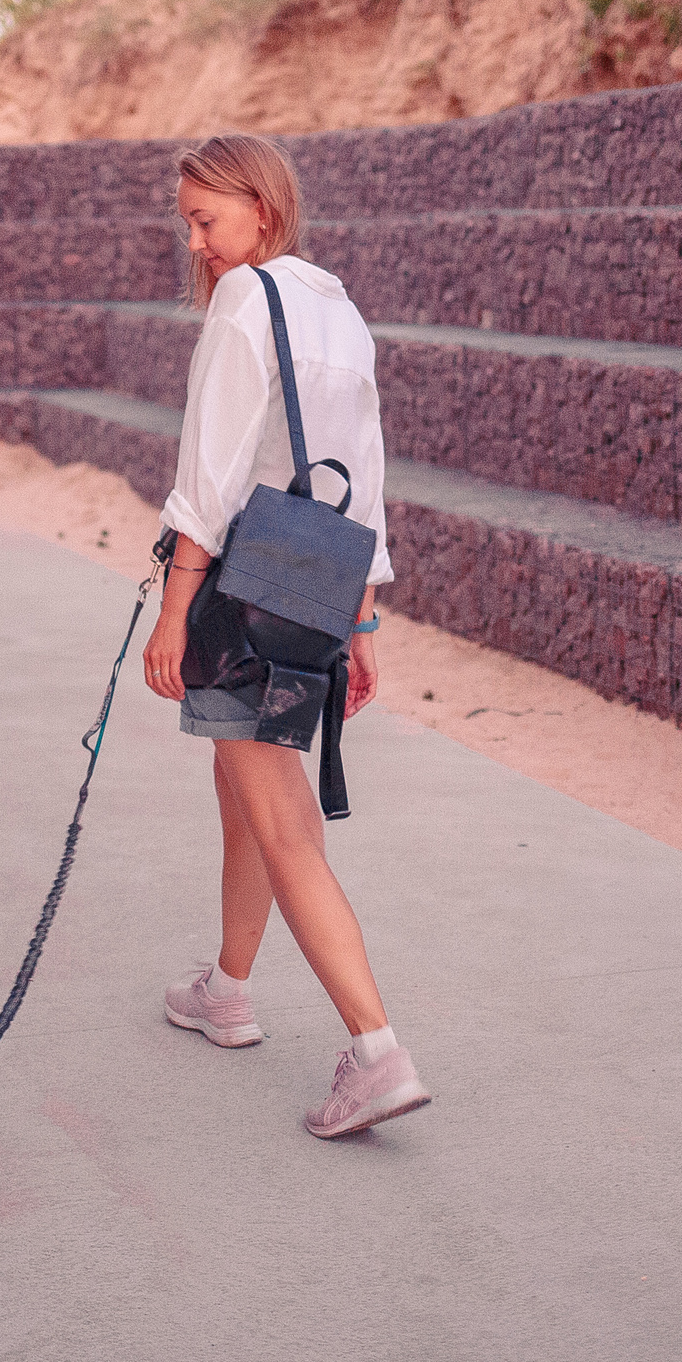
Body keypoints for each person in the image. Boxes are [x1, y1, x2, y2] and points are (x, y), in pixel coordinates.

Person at [139, 133, 430, 1140]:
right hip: (317, 577)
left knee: (283, 824)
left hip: (242, 583)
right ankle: (226, 989)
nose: (195, 241)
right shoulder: (336, 306)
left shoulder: (242, 302)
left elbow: (210, 472)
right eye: (184, 220)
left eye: (205, 218)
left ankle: (376, 1054)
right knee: (243, 792)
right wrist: (360, 619)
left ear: (261, 210)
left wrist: (174, 607)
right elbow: (365, 470)